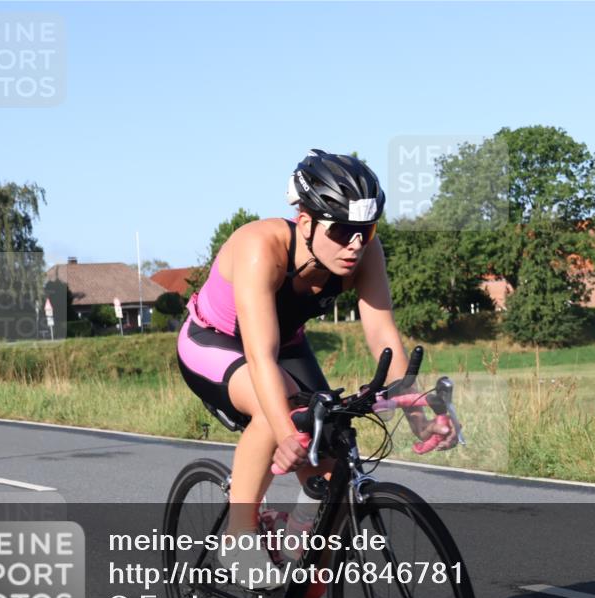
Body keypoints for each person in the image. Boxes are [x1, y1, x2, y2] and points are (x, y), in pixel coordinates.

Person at [176, 149, 456, 569]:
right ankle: (238, 536)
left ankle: (300, 587)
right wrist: (286, 432)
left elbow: (382, 333)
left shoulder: (364, 253)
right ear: (305, 222)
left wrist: (413, 407)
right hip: (213, 341)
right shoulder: (260, 246)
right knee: (284, 409)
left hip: (287, 345)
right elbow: (260, 356)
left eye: (366, 229)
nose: (356, 244)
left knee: (332, 456)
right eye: (342, 230)